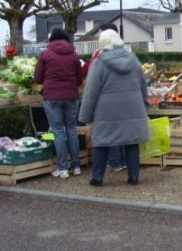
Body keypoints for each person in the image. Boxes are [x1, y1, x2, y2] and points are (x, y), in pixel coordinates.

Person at [78, 29, 149, 187]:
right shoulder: (133, 59)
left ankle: (97, 177)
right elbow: (142, 85)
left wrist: (85, 116)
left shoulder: (99, 62)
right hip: (132, 106)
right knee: (132, 141)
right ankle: (133, 176)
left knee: (102, 141)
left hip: (106, 109)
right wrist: (145, 105)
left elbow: (91, 91)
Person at [34, 28, 83, 178]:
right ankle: (76, 166)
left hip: (52, 97)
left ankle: (62, 168)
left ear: (51, 39)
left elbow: (37, 78)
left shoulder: (45, 54)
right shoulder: (74, 56)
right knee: (71, 130)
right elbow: (79, 80)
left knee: (58, 132)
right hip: (71, 97)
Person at [83, 22, 126, 172]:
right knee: (120, 130)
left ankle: (115, 162)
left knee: (110, 131)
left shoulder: (100, 56)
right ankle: (121, 160)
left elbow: (91, 76)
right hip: (123, 98)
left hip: (106, 99)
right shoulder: (125, 53)